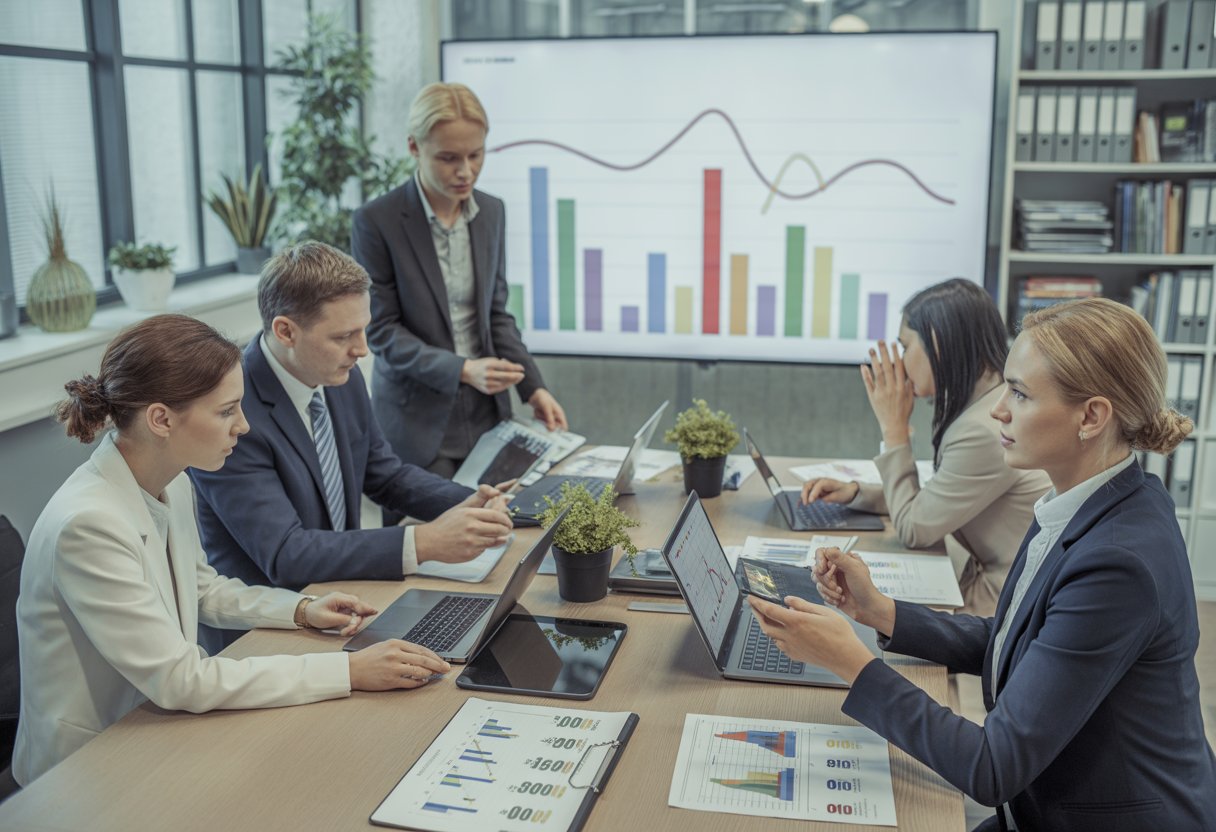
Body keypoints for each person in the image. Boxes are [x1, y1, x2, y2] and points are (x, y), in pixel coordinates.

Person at [752, 298, 1216, 832]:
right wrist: (880, 612)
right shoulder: (1093, 500)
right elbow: (1015, 639)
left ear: (1091, 416)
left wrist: (852, 665)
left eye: (1018, 393)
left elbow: (993, 767)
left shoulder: (1118, 562)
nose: (998, 410)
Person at [13, 315, 452, 786]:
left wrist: (301, 609)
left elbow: (202, 589)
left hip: (151, 730)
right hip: (88, 767)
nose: (242, 426)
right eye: (226, 412)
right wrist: (348, 669)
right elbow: (182, 680)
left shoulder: (171, 481)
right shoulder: (89, 524)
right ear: (161, 419)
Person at [191, 242, 514, 649]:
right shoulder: (232, 410)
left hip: (342, 603)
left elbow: (385, 474)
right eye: (344, 336)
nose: (362, 350)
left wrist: (472, 503)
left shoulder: (335, 374)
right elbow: (287, 554)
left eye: (363, 329)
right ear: (285, 331)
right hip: (266, 634)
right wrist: (425, 542)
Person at [351, 81, 567, 495]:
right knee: (431, 552)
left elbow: (496, 314)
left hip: (488, 414)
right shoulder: (375, 221)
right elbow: (380, 331)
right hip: (418, 424)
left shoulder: (491, 212)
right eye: (448, 158)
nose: (465, 170)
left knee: (499, 536)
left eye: (475, 155)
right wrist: (463, 369)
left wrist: (533, 387)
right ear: (414, 147)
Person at [801, 278, 1050, 614]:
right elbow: (936, 499)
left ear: (937, 343)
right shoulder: (985, 400)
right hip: (990, 582)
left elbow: (914, 530)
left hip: (998, 603)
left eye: (905, 347)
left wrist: (894, 429)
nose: (900, 362)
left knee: (847, 611)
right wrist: (858, 492)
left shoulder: (983, 429)